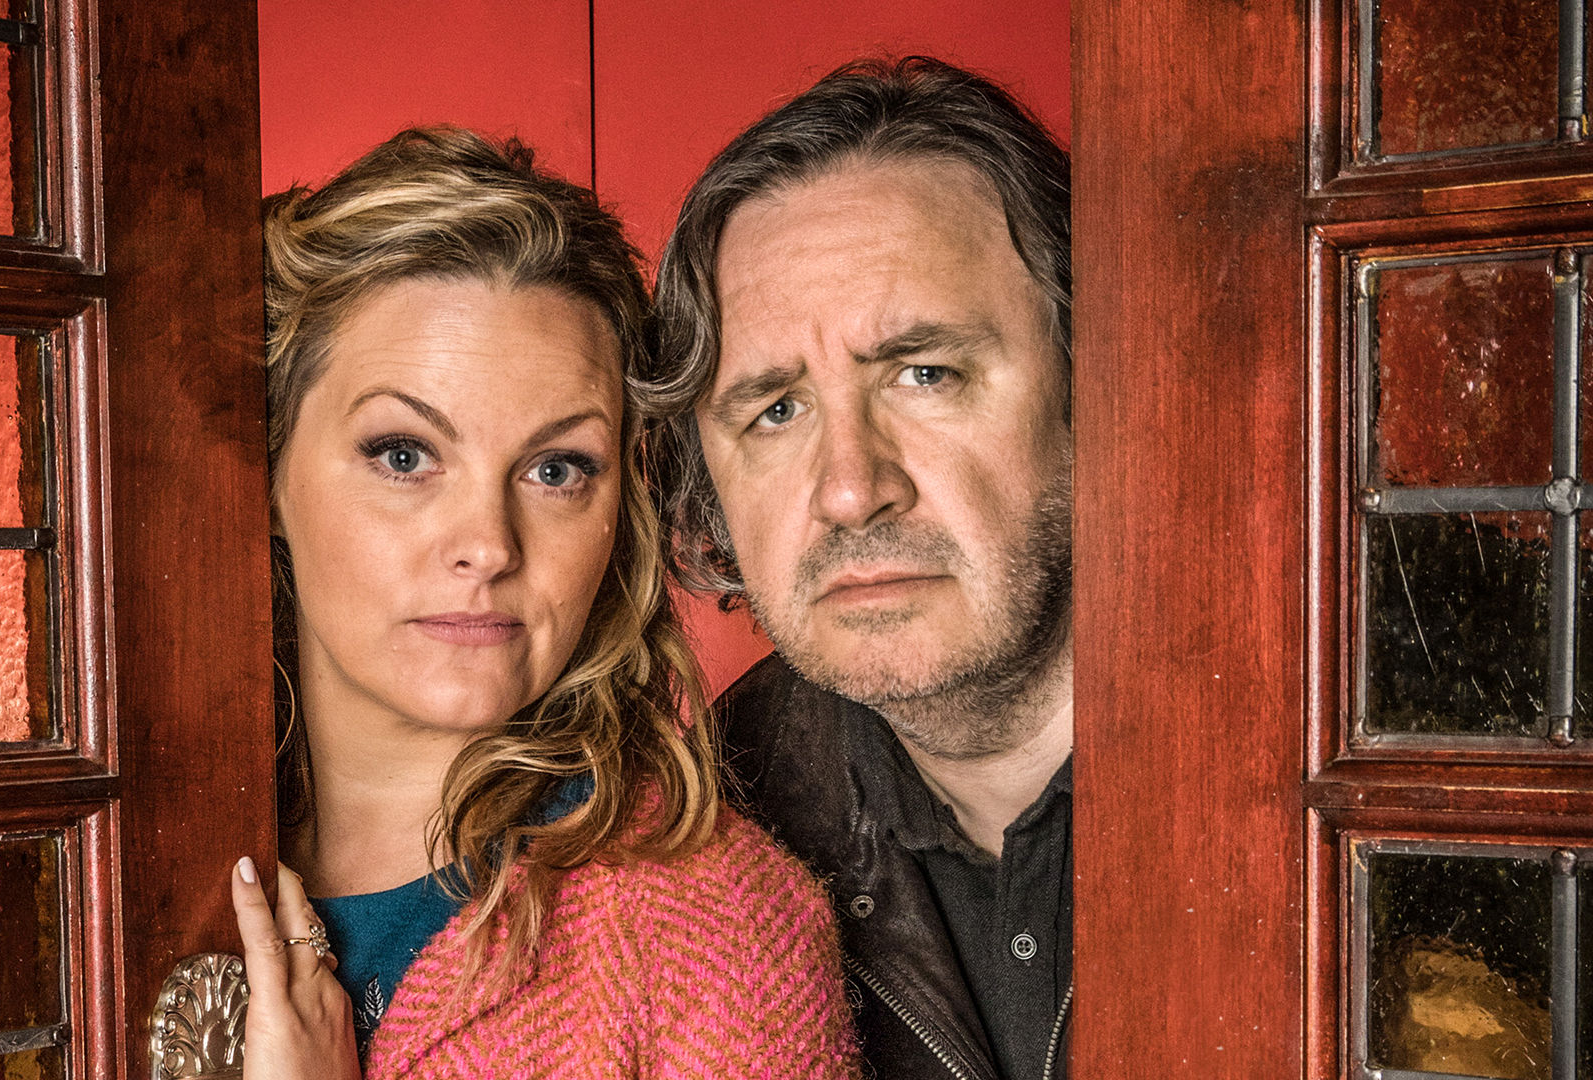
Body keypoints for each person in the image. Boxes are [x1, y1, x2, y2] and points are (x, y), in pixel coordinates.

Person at [225, 127, 860, 1080]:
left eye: (556, 469)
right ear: (270, 472)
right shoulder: (116, 847)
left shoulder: (719, 938)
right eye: (404, 455)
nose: (489, 545)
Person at [648, 57, 1074, 1080]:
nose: (850, 489)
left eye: (925, 374)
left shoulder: (1370, 757)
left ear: (1095, 391)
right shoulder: (708, 836)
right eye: (775, 411)